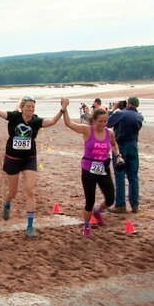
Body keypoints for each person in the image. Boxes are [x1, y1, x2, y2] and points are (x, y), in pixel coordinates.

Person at [0, 93, 63, 238]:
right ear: (22, 107)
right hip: (12, 159)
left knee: (30, 191)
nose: (30, 109)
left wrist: (62, 109)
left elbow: (52, 122)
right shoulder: (14, 117)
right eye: (28, 107)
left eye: (33, 107)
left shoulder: (36, 121)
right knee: (13, 192)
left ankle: (30, 227)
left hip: (29, 159)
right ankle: (7, 203)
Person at [60, 99, 122, 237]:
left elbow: (114, 144)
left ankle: (98, 211)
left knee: (110, 198)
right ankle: (87, 226)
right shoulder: (87, 130)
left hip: (103, 169)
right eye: (100, 121)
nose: (103, 124)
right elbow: (68, 124)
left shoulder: (109, 133)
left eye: (105, 121)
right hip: (88, 170)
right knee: (90, 200)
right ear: (93, 121)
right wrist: (64, 108)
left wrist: (118, 156)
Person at [107, 96, 144, 214]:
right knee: (133, 177)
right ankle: (134, 204)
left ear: (128, 103)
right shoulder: (139, 116)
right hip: (133, 145)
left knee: (120, 175)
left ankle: (120, 204)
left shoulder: (121, 113)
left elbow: (107, 122)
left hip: (121, 146)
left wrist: (114, 109)